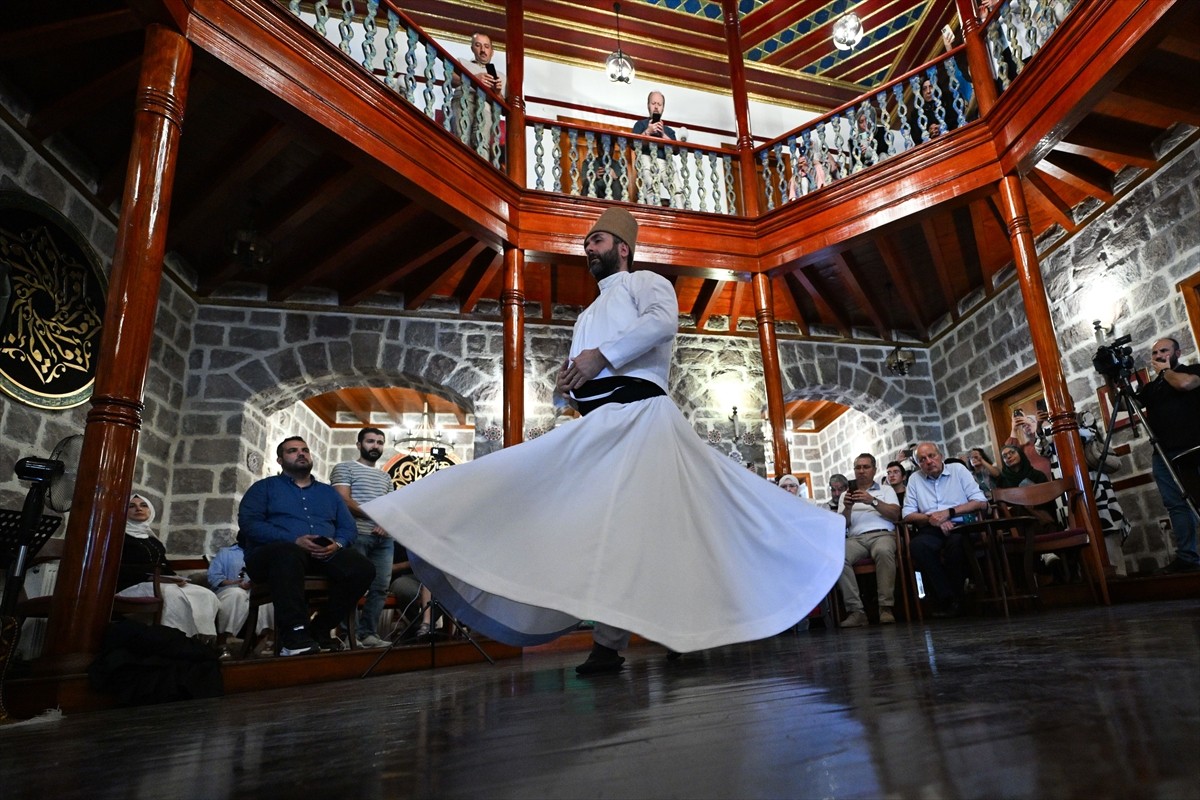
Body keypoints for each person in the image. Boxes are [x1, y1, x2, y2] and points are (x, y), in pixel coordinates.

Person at [362, 206, 844, 675]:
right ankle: (426, 517)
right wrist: (567, 386)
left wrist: (601, 356)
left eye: (596, 240)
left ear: (623, 247)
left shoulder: (646, 283)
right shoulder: (586, 315)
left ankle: (665, 632)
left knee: (658, 531)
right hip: (601, 425)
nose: (588, 249)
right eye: (587, 243)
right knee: (588, 520)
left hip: (642, 418)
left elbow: (661, 323)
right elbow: (582, 375)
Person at [238, 437, 375, 656]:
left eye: (305, 450)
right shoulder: (264, 488)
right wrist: (294, 539)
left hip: (322, 555)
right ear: (280, 460)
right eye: (292, 451)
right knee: (287, 553)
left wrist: (337, 544)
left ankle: (319, 628)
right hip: (272, 556)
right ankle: (295, 637)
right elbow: (249, 524)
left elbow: (348, 528)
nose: (301, 453)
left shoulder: (329, 493)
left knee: (362, 568)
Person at [117, 493, 221, 642]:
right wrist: (152, 576)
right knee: (173, 594)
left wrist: (176, 578)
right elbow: (118, 567)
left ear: (150, 511)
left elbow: (164, 566)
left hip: (159, 583)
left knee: (205, 594)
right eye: (131, 506)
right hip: (131, 584)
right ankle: (172, 639)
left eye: (143, 505)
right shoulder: (119, 537)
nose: (138, 509)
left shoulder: (153, 541)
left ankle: (199, 639)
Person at [901, 442, 989, 617]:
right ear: (918, 464)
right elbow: (907, 514)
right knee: (918, 546)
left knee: (956, 543)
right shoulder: (915, 479)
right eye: (922, 459)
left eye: (931, 456)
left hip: (961, 524)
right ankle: (947, 598)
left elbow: (980, 501)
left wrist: (949, 513)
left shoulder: (958, 470)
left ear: (940, 456)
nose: (928, 461)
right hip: (931, 527)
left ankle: (959, 598)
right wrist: (933, 519)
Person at [1136, 336, 1200, 573]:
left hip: (1193, 449)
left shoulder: (1193, 371)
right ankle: (1188, 557)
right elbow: (1123, 406)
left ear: (1177, 353)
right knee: (1176, 505)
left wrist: (1164, 372)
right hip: (1163, 454)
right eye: (1155, 353)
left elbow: (1185, 385)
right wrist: (1110, 379)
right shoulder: (1151, 388)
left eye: (1164, 351)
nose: (1159, 356)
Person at [330, 427, 396, 648]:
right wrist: (377, 517)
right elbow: (344, 500)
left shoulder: (386, 477)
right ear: (359, 445)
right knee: (352, 584)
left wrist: (386, 523)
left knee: (380, 587)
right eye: (370, 441)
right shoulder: (344, 468)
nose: (375, 446)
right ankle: (350, 636)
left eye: (379, 442)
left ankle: (368, 634)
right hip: (355, 534)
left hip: (384, 538)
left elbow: (390, 507)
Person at [836, 454, 901, 627]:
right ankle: (856, 611)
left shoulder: (886, 490)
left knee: (883, 551)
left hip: (882, 535)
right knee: (837, 556)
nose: (861, 471)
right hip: (856, 539)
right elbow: (842, 525)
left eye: (866, 467)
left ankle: (885, 608)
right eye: (858, 467)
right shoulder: (845, 495)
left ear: (874, 470)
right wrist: (848, 508)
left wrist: (872, 501)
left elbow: (895, 515)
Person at [207, 539, 275, 658]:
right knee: (236, 594)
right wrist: (235, 583)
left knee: (268, 597)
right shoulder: (225, 553)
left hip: (256, 589)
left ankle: (268, 641)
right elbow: (214, 577)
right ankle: (223, 642)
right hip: (231, 588)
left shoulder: (264, 552)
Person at [453, 32, 505, 155]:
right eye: (478, 45)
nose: (483, 50)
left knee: (481, 144)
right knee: (461, 139)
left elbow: (503, 108)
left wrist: (497, 93)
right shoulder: (462, 63)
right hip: (463, 100)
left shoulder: (501, 76)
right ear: (472, 48)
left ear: (492, 51)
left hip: (486, 108)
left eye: (486, 46)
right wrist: (474, 79)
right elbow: (450, 78)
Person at [631, 91, 684, 208]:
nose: (656, 107)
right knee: (651, 186)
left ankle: (681, 213)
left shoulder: (668, 130)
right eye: (653, 103)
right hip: (647, 158)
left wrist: (663, 135)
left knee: (677, 189)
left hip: (665, 162)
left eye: (659, 104)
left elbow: (676, 150)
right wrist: (648, 132)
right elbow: (634, 144)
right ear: (648, 105)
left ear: (663, 108)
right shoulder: (640, 124)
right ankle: (653, 212)